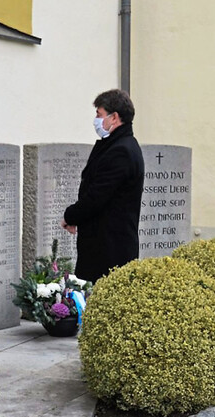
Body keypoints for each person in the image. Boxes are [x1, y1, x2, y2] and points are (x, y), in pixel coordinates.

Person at [61, 89, 145, 283]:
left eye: (99, 114)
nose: (96, 120)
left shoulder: (121, 151)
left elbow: (97, 196)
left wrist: (70, 216)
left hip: (109, 248)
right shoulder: (117, 145)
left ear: (114, 117)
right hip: (103, 244)